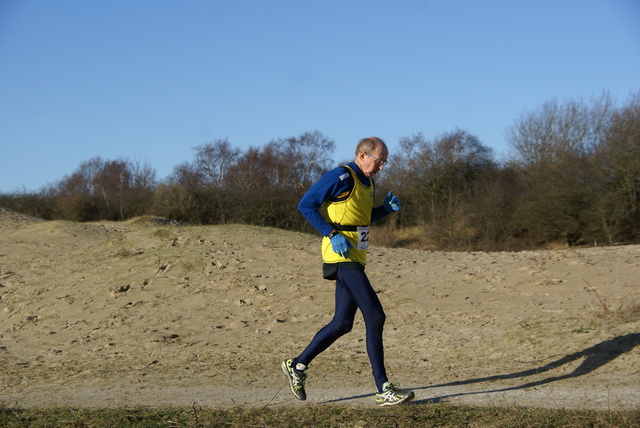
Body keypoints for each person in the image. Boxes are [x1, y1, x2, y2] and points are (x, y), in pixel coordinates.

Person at [281, 137, 414, 406]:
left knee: (342, 323)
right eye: (379, 161)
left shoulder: (369, 182)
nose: (382, 168)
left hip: (357, 255)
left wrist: (384, 210)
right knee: (375, 316)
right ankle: (383, 388)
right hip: (340, 256)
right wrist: (330, 233)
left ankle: (297, 365)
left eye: (384, 162)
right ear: (363, 155)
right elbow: (305, 205)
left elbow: (360, 219)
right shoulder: (341, 176)